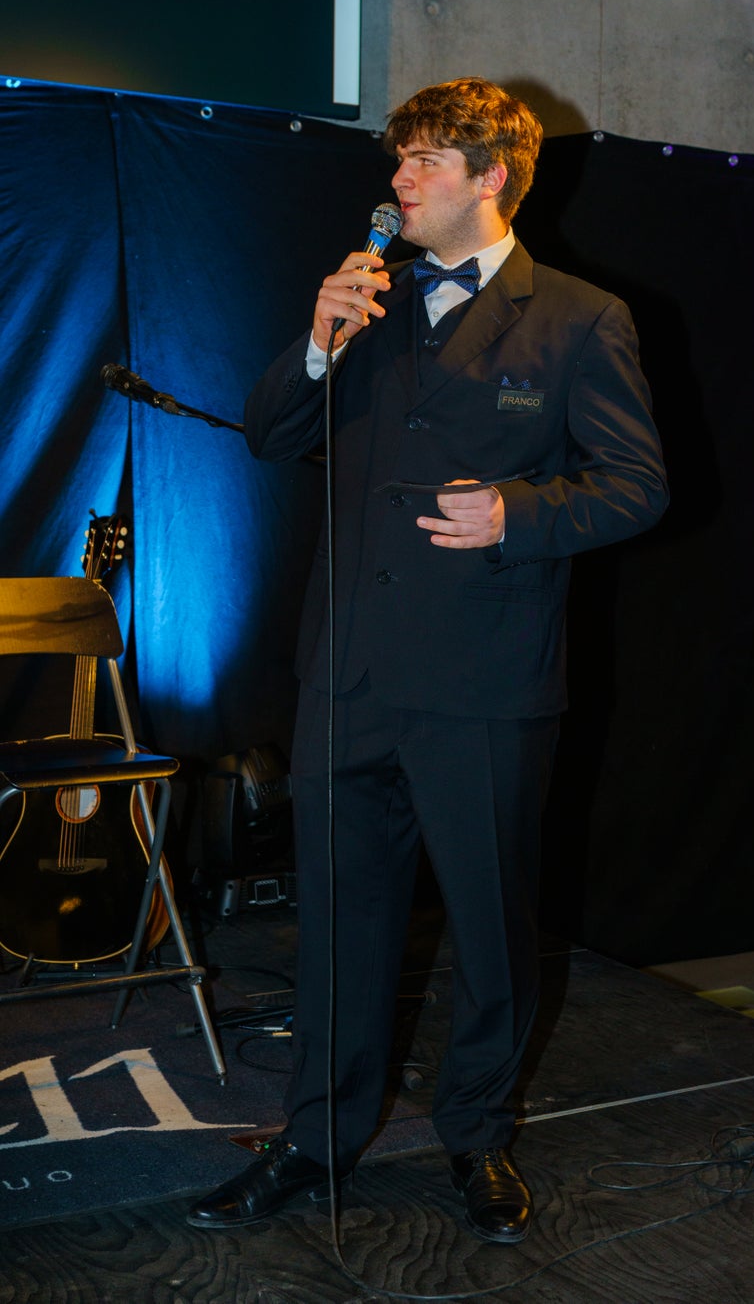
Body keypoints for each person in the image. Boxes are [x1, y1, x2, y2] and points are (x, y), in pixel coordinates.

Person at [188, 77, 668, 1244]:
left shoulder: (579, 317)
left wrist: (516, 512)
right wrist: (317, 341)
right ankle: (316, 1138)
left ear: (490, 176)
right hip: (347, 677)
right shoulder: (368, 299)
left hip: (484, 683)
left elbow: (636, 485)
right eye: (396, 159)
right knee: (338, 929)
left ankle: (478, 1134)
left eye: (423, 162)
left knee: (491, 929)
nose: (397, 179)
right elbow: (269, 432)